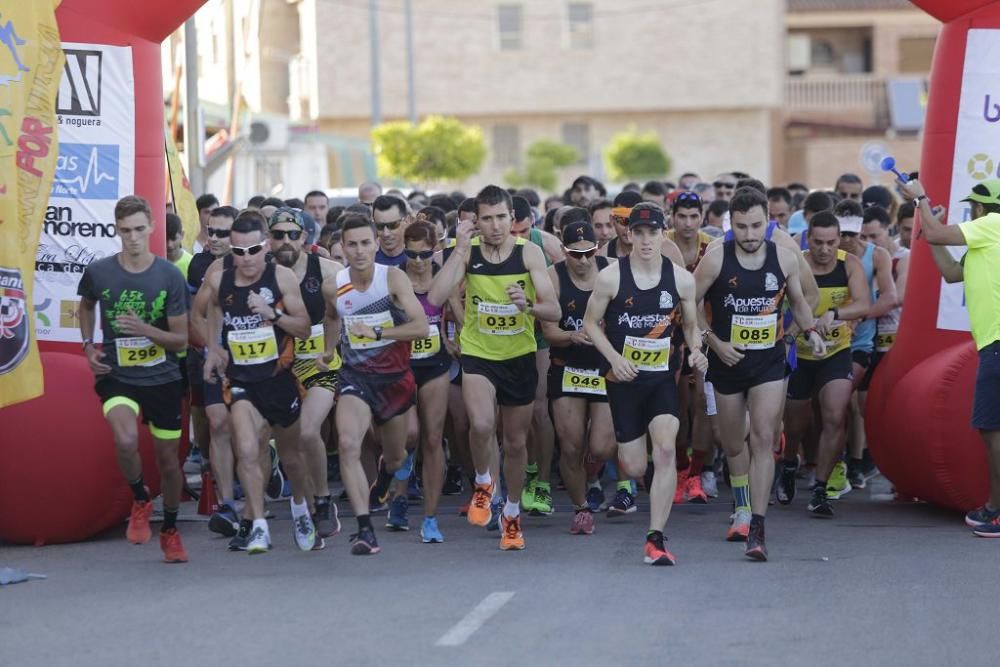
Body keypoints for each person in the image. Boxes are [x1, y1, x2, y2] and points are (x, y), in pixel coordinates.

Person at [695, 187, 824, 561]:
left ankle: (757, 526)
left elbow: (801, 303)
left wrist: (809, 332)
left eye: (756, 226)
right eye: (741, 227)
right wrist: (714, 343)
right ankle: (740, 503)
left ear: (768, 220)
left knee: (763, 439)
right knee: (732, 441)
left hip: (768, 360)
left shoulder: (784, 258)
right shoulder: (716, 259)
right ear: (729, 224)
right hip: (727, 362)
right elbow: (690, 309)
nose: (749, 236)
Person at [429, 185, 560, 551]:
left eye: (501, 217)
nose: (496, 225)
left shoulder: (529, 254)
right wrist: (457, 251)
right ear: (476, 222)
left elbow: (555, 311)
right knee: (482, 424)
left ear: (511, 217)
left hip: (518, 356)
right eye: (486, 219)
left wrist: (529, 306)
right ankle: (484, 482)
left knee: (516, 443)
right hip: (479, 353)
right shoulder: (467, 254)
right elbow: (436, 297)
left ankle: (512, 515)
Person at [584, 203, 709, 565]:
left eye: (652, 233)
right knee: (636, 466)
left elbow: (689, 325)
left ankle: (656, 538)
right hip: (623, 381)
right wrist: (615, 359)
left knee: (667, 448)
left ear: (662, 233)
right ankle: (652, 481)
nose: (645, 240)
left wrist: (697, 349)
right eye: (638, 233)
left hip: (660, 380)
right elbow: (591, 323)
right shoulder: (610, 277)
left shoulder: (682, 279)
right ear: (628, 234)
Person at [78, 196, 190, 563]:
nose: (133, 238)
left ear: (153, 228)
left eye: (140, 229)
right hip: (118, 374)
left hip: (163, 378)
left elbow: (181, 340)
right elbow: (86, 304)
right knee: (125, 438)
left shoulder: (169, 276)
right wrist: (88, 346)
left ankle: (171, 529)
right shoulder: (99, 272)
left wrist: (144, 329)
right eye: (125, 231)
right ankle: (141, 498)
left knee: (168, 461)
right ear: (116, 230)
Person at [202, 213, 317, 554]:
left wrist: (272, 314)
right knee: (248, 450)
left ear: (265, 246)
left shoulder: (280, 278)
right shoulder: (219, 281)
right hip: (241, 382)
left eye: (253, 250)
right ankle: (259, 526)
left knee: (292, 458)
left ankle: (300, 506)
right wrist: (214, 350)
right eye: (239, 251)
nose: (246, 258)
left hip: (279, 380)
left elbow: (304, 328)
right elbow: (209, 313)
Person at [320, 214, 429, 554]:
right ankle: (365, 529)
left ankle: (385, 475)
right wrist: (327, 349)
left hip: (395, 380)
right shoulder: (333, 285)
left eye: (365, 243)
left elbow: (421, 327)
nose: (359, 251)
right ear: (342, 247)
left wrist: (378, 332)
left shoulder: (392, 279)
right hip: (356, 378)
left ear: (376, 244)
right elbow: (331, 316)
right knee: (349, 444)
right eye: (351, 244)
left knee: (396, 458)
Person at [900, 178, 1000, 537]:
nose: (969, 210)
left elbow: (940, 233)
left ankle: (997, 510)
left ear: (980, 207)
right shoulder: (983, 243)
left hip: (998, 346)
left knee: (992, 430)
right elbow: (951, 272)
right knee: (991, 429)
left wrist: (922, 200)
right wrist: (929, 225)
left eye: (972, 205)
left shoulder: (991, 225)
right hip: (993, 345)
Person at [778, 212, 871, 515]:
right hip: (800, 356)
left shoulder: (849, 264)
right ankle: (790, 464)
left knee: (835, 415)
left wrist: (835, 314)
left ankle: (820, 488)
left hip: (835, 352)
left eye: (831, 242)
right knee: (795, 426)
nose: (825, 249)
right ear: (808, 237)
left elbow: (864, 304)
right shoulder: (796, 261)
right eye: (818, 242)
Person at [267, 207, 345, 543]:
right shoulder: (259, 272)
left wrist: (332, 345)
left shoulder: (328, 270)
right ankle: (305, 502)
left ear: (305, 238)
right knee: (281, 439)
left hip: (320, 365)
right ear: (269, 239)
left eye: (292, 235)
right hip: (278, 368)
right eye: (278, 235)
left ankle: (324, 501)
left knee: (310, 432)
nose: (286, 241)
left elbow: (346, 311)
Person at [540, 219, 616, 535]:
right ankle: (581, 507)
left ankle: (593, 471)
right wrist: (573, 336)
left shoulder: (612, 270)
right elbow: (549, 330)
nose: (583, 261)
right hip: (567, 367)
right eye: (575, 254)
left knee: (600, 447)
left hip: (604, 368)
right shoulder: (552, 277)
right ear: (562, 249)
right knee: (570, 446)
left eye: (589, 253)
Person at [186, 205, 243, 539]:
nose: (216, 239)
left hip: (257, 361)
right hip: (217, 360)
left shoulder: (263, 266)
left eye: (224, 232)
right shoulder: (201, 266)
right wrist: (213, 346)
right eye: (211, 231)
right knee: (219, 424)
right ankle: (227, 504)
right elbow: (195, 315)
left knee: (252, 431)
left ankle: (259, 482)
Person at [403, 221, 451, 542]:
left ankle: (430, 518)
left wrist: (456, 339)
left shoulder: (442, 277)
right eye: (411, 254)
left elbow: (458, 310)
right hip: (402, 367)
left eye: (424, 254)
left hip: (436, 365)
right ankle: (397, 487)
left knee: (432, 439)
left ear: (434, 250)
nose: (418, 261)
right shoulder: (396, 279)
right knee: (409, 435)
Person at [667, 191, 716, 503]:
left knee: (702, 403)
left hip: (702, 332)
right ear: (672, 216)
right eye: (681, 216)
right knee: (676, 404)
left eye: (693, 216)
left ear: (702, 217)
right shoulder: (662, 243)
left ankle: (698, 472)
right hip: (668, 334)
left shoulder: (711, 248)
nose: (687, 223)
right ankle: (681, 468)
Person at [372, 194, 411, 267]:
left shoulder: (420, 258)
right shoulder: (367, 260)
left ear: (407, 221)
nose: (386, 233)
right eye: (379, 226)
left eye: (392, 225)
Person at [166, 213, 193, 279]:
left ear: (182, 234)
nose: (169, 244)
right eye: (166, 239)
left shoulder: (191, 263)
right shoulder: (153, 263)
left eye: (174, 239)